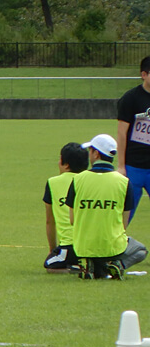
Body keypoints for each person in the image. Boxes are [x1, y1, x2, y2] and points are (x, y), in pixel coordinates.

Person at [65, 134, 147, 279]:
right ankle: (116, 265)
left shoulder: (78, 180)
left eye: (90, 150)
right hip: (112, 246)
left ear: (96, 154)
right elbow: (124, 223)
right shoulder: (124, 182)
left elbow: (72, 219)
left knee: (92, 249)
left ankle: (90, 264)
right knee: (140, 249)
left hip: (83, 245)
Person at [42, 143, 88, 273]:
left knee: (50, 265)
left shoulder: (53, 182)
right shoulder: (91, 180)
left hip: (70, 246)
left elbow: (49, 221)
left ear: (66, 164)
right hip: (95, 242)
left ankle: (77, 269)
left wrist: (52, 250)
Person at [116, 56, 150, 222]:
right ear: (144, 74)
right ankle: (117, 245)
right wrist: (121, 166)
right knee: (124, 214)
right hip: (133, 166)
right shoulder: (131, 98)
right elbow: (122, 133)